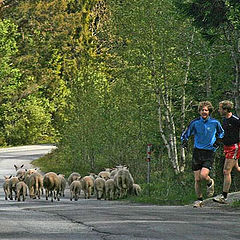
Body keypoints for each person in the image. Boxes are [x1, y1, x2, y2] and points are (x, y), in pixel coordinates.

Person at [181, 101, 224, 208]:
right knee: (197, 179)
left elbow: (222, 132)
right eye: (202, 110)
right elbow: (186, 133)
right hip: (197, 151)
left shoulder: (215, 122)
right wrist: (184, 141)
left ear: (209, 111)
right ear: (199, 111)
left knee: (203, 175)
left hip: (209, 151)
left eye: (206, 110)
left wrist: (218, 141)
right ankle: (199, 200)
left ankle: (210, 182)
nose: (204, 112)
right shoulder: (195, 122)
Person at [213, 100, 240, 204]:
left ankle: (224, 196)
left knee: (226, 171)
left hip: (234, 147)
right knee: (237, 168)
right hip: (227, 147)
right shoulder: (224, 120)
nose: (219, 110)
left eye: (220, 108)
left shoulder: (235, 120)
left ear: (225, 109)